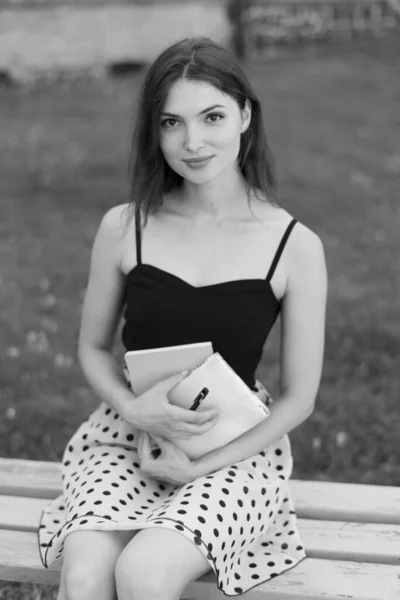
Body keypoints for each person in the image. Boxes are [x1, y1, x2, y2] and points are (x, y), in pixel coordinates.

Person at [38, 36, 327, 600]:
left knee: (144, 572)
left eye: (212, 117)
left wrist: (201, 467)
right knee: (84, 574)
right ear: (155, 130)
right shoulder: (125, 226)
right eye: (172, 122)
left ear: (245, 115)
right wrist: (133, 407)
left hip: (236, 447)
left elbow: (299, 399)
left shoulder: (295, 245)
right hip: (127, 433)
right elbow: (93, 349)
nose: (193, 142)